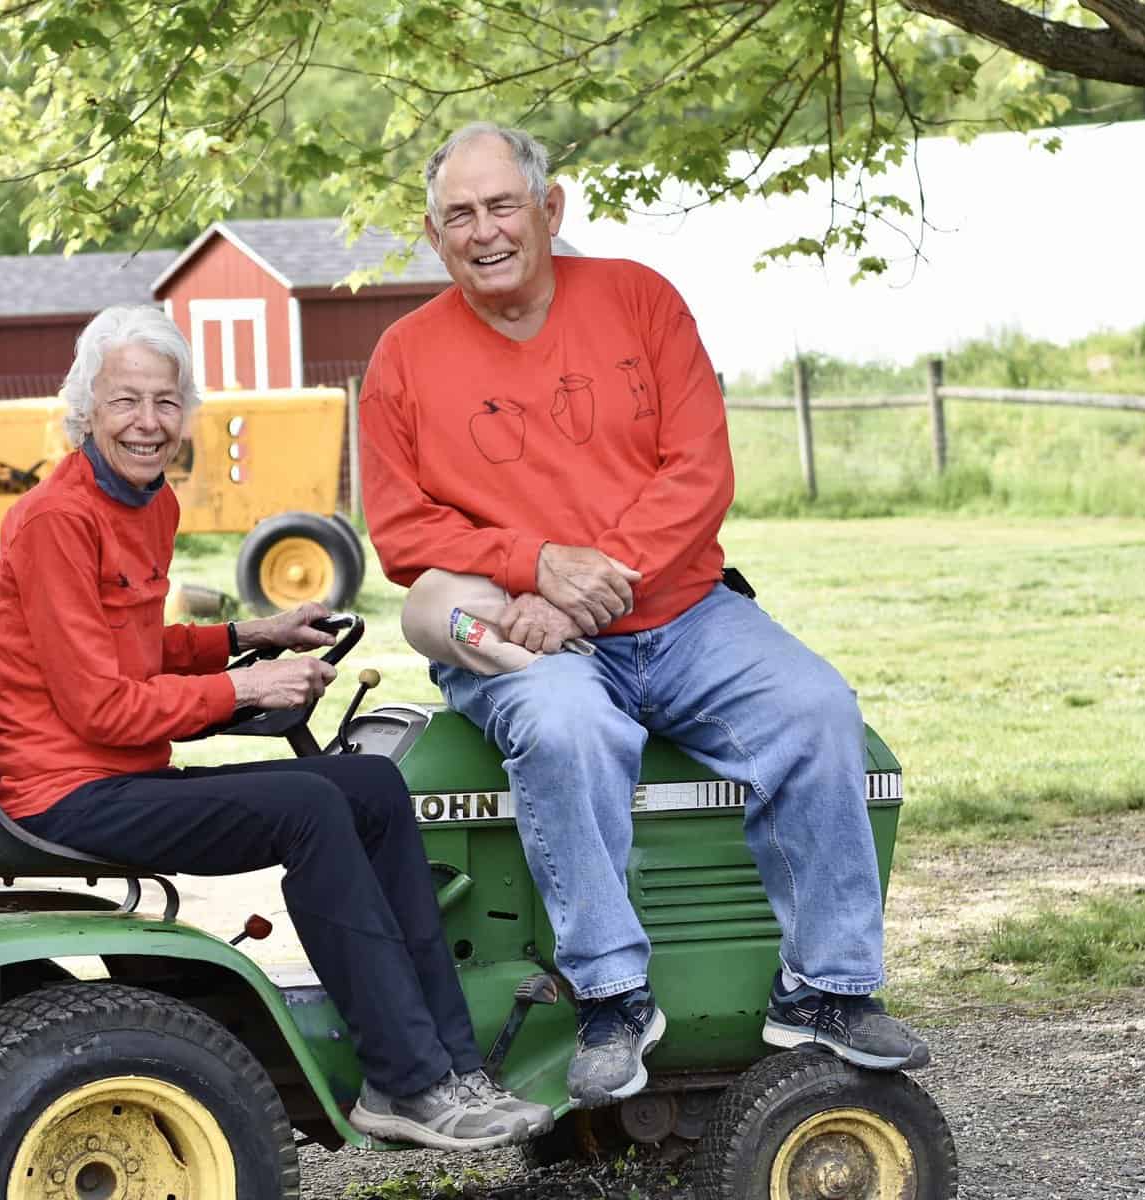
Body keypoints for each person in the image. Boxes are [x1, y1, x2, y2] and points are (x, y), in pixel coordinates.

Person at [359, 123, 930, 1110]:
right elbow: (404, 530)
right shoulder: (404, 358)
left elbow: (698, 471)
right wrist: (533, 566)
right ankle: (610, 995)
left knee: (816, 708)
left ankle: (825, 990)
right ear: (432, 231)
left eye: (503, 206)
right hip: (514, 627)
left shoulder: (638, 300)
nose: (484, 230)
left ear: (551, 208)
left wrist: (600, 575)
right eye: (460, 215)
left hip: (680, 609)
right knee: (563, 724)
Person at [0, 304, 552, 1152]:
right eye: (126, 401)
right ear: (85, 408)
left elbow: (135, 647)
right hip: (69, 792)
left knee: (370, 783)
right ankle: (406, 1082)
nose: (148, 423)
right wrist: (245, 689)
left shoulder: (147, 505)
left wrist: (249, 636)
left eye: (166, 403)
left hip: (117, 775)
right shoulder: (60, 520)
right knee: (308, 808)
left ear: (186, 413)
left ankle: (452, 1066)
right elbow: (101, 705)